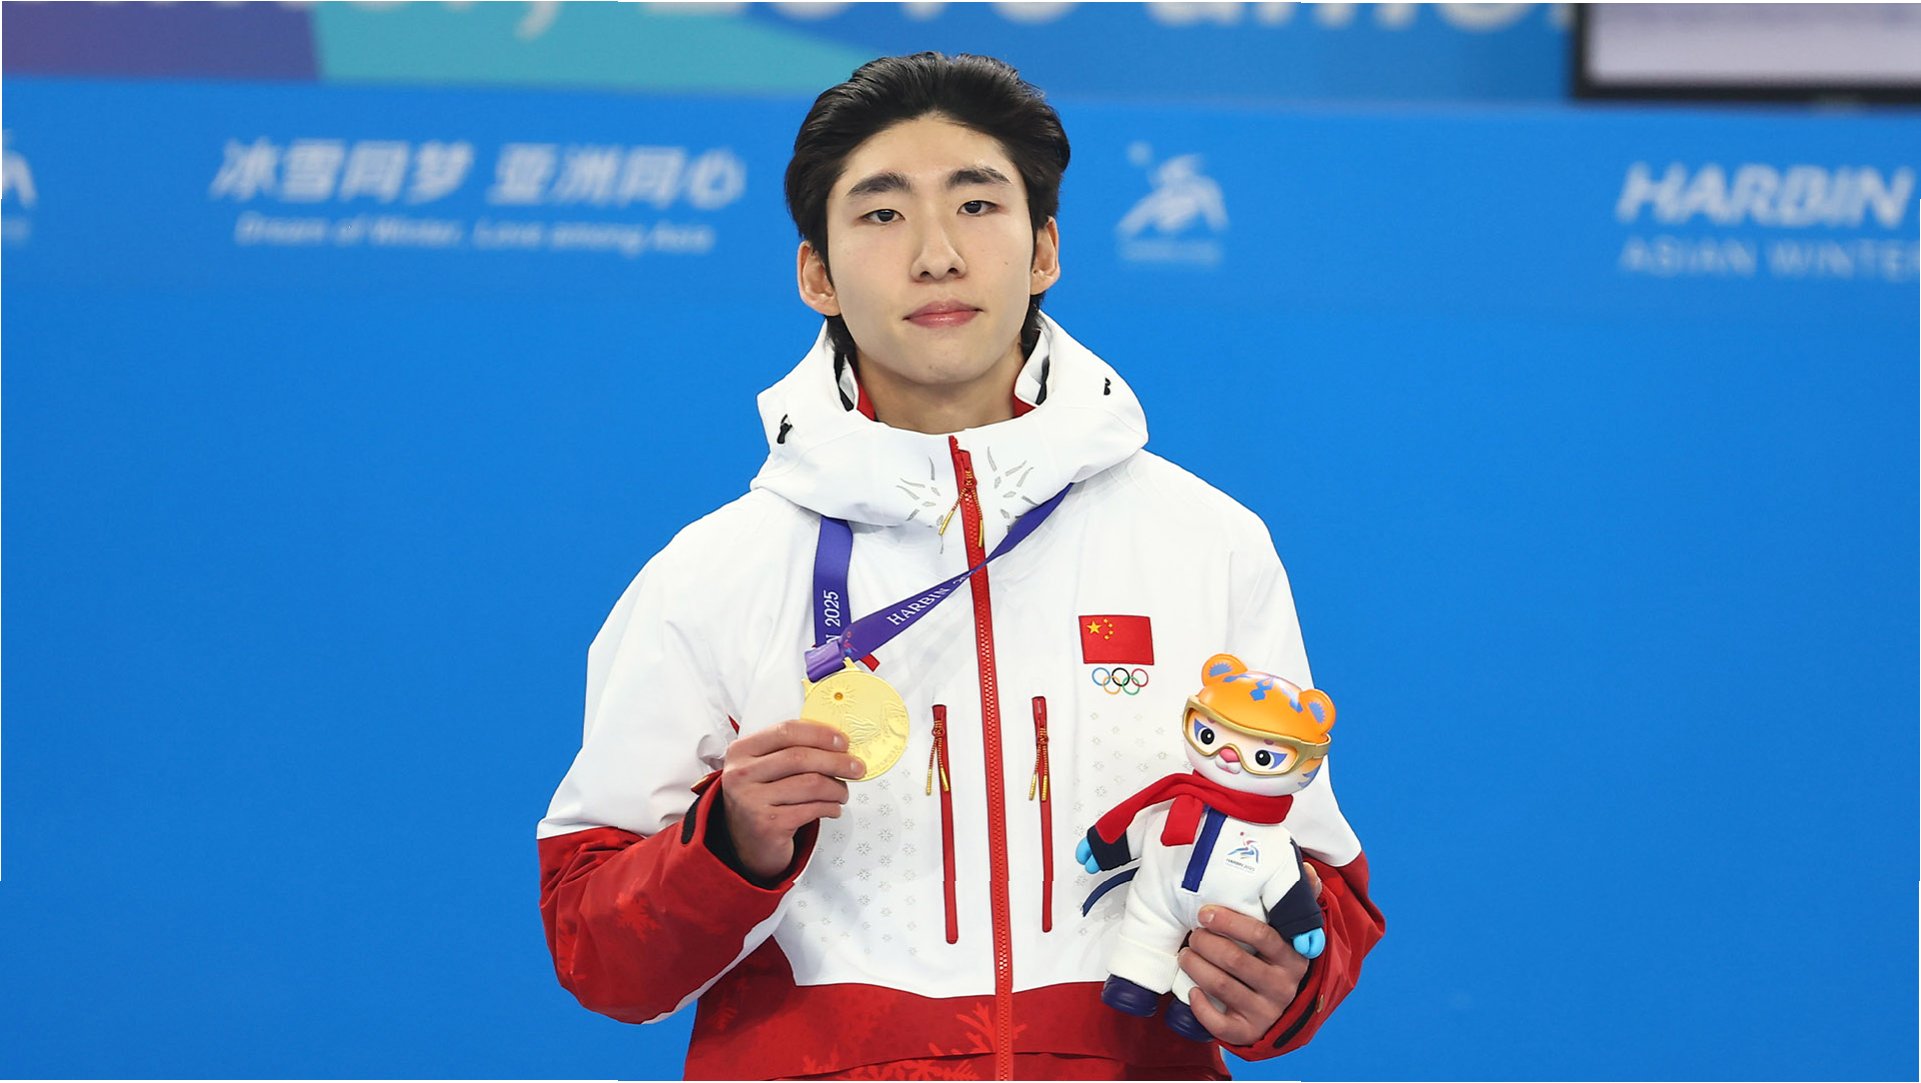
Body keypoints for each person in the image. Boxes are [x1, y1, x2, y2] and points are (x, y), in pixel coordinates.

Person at [538, 52, 1384, 1081]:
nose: (936, 255)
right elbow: (598, 956)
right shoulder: (714, 571)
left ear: (1043, 249)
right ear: (816, 273)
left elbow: (1314, 879)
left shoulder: (1202, 540)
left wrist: (1284, 976)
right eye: (882, 214)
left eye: (977, 205)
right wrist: (726, 846)